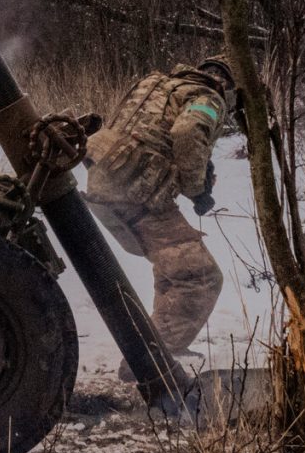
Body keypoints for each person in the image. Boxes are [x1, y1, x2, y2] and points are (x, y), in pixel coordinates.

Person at [82, 56, 238, 357]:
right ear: (224, 83)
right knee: (200, 277)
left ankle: (154, 345)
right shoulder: (208, 96)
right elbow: (188, 132)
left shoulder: (155, 83)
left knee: (173, 268)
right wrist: (197, 191)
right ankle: (159, 362)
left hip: (104, 181)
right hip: (136, 191)